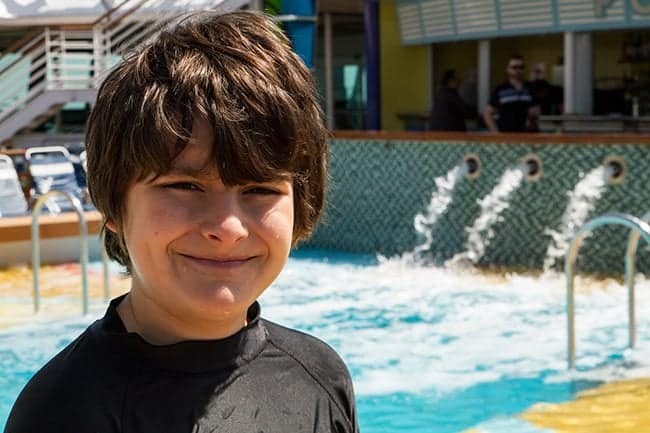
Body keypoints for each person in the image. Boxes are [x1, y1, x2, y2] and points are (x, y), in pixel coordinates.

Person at [5, 11, 358, 433]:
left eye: (260, 190)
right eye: (187, 186)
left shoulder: (320, 379)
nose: (228, 227)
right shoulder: (65, 411)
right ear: (115, 204)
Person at [483, 54, 540, 132]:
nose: (518, 70)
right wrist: (495, 133)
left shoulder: (530, 88)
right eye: (514, 67)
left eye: (521, 67)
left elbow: (536, 110)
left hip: (527, 135)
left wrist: (533, 116)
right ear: (507, 69)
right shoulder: (501, 89)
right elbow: (487, 112)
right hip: (507, 135)